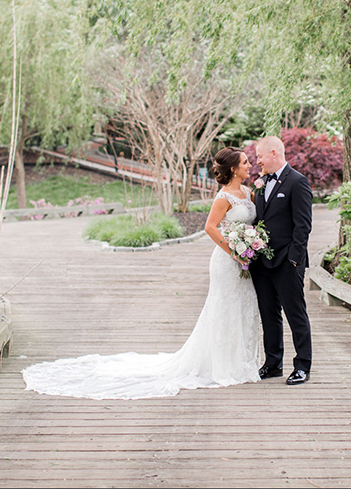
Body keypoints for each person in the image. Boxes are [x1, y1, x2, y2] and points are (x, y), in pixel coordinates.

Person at [21, 147, 262, 399]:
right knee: (224, 308)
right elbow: (210, 228)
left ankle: (242, 360)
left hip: (243, 260)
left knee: (243, 306)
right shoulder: (223, 197)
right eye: (245, 162)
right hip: (226, 261)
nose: (249, 164)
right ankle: (223, 365)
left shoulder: (247, 192)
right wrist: (233, 251)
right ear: (233, 169)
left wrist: (249, 245)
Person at [250, 136, 313, 385]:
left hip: (288, 263)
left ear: (273, 153)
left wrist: (295, 262)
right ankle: (273, 363)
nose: (257, 161)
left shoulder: (298, 182)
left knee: (295, 314)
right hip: (262, 263)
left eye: (260, 156)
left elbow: (303, 227)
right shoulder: (261, 183)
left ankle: (302, 366)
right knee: (269, 314)